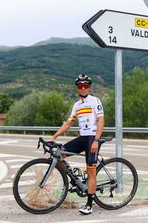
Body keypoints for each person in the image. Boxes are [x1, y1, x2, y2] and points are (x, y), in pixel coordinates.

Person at [51, 74, 104, 215]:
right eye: (80, 86)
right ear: (77, 88)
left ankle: (89, 204)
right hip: (82, 138)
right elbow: (68, 123)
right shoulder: (77, 105)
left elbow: (100, 121)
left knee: (91, 170)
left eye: (86, 85)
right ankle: (75, 181)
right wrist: (54, 137)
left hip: (92, 138)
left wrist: (96, 140)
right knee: (59, 154)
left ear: (89, 87)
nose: (83, 88)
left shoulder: (95, 101)